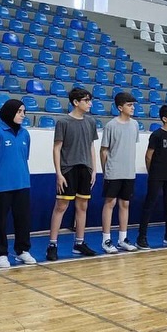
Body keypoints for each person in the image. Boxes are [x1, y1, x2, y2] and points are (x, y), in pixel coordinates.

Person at [0, 99, 35, 268]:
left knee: (23, 220)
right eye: (19, 111)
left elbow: (23, 157)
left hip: (22, 184)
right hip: (0, 187)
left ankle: (22, 250)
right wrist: (0, 175)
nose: (22, 115)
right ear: (9, 112)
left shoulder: (25, 134)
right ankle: (1, 254)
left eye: (24, 112)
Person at [47, 87, 98, 261]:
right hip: (68, 169)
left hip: (85, 169)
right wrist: (59, 173)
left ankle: (79, 243)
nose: (90, 104)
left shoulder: (91, 122)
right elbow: (57, 148)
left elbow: (91, 146)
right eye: (86, 100)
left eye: (90, 100)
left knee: (82, 206)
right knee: (61, 206)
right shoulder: (63, 122)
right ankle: (52, 245)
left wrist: (94, 169)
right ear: (76, 102)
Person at [100, 92, 140, 254]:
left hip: (129, 172)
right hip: (113, 171)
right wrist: (106, 171)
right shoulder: (111, 125)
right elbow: (104, 150)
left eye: (133, 105)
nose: (132, 108)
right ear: (120, 107)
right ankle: (106, 240)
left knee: (125, 204)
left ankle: (123, 239)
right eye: (129, 105)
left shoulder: (135, 124)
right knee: (110, 203)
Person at [137, 104, 167, 250]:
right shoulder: (156, 135)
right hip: (157, 175)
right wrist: (152, 173)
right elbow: (148, 156)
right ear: (164, 118)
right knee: (149, 205)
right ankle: (141, 237)